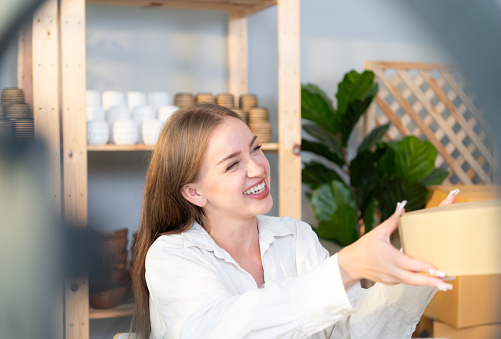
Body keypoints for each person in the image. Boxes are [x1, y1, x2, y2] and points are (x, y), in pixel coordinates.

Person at [130, 103, 457, 339]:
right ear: (194, 192)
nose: (258, 168)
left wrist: (422, 260)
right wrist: (345, 268)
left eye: (255, 148)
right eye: (232, 165)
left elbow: (355, 333)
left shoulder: (296, 237)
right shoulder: (172, 256)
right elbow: (224, 330)